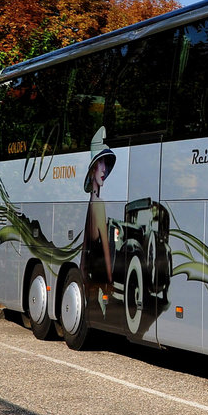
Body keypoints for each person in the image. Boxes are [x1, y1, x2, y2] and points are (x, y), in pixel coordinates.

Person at [81, 127, 116, 304]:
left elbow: (84, 251)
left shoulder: (90, 203)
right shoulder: (99, 205)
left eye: (105, 164)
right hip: (98, 280)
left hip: (88, 278)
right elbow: (106, 252)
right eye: (100, 164)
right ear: (93, 169)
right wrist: (110, 281)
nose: (103, 169)